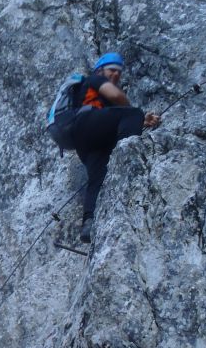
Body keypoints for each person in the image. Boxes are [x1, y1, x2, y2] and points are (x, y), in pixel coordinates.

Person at [68, 53, 161, 243]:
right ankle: (129, 156)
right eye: (112, 70)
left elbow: (110, 121)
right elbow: (116, 95)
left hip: (85, 139)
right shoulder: (94, 78)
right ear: (100, 69)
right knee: (132, 112)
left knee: (98, 178)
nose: (116, 75)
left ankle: (89, 222)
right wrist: (134, 115)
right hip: (88, 122)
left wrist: (139, 122)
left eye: (119, 73)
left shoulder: (95, 98)